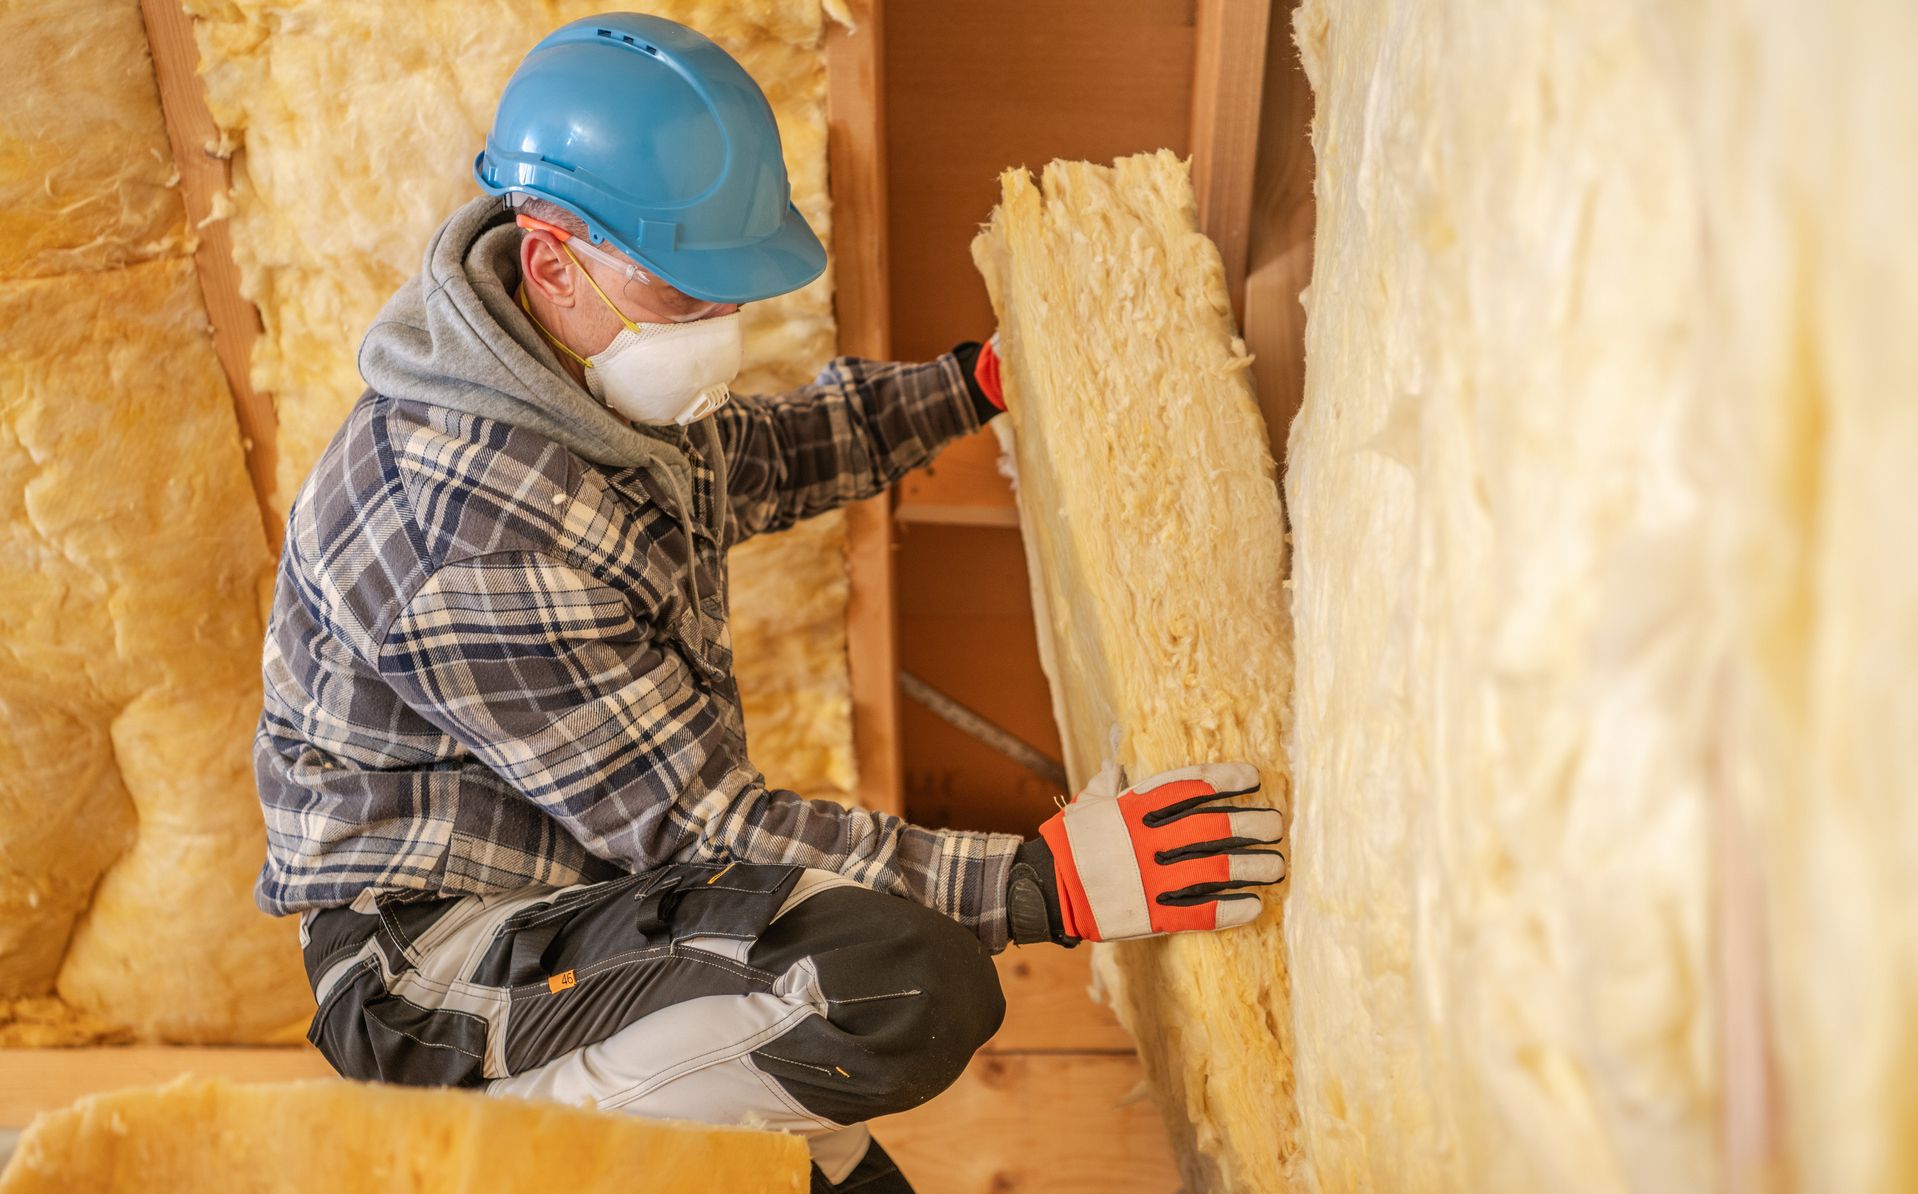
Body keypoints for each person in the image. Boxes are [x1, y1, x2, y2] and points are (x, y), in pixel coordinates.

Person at [251, 13, 1285, 1191]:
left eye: (724, 294)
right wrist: (1042, 884)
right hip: (438, 977)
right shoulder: (462, 533)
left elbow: (767, 456)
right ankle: (548, 1153)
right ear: (552, 261)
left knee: (838, 1067)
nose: (718, 332)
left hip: (587, 908)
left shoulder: (574, 379)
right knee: (901, 986)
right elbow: (698, 824)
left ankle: (706, 1120)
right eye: (686, 293)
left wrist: (974, 382)